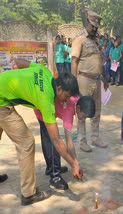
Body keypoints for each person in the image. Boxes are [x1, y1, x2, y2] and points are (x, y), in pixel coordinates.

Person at [0, 59, 83, 205]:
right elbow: (56, 140)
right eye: (65, 96)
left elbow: (19, 61)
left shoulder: (45, 72)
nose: (65, 101)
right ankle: (28, 194)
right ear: (59, 90)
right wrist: (73, 164)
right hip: (2, 103)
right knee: (26, 142)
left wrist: (14, 79)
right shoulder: (46, 101)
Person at [34, 96, 95, 190]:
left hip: (47, 106)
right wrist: (74, 165)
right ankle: (55, 176)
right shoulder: (68, 112)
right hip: (42, 110)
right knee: (52, 141)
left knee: (50, 139)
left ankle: (52, 167)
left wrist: (75, 164)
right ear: (78, 108)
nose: (83, 119)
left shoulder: (78, 100)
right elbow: (69, 142)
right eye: (83, 116)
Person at [71, 10, 109, 152]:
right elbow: (74, 61)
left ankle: (95, 137)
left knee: (96, 111)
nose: (94, 29)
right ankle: (82, 141)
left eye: (96, 27)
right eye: (92, 26)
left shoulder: (95, 42)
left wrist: (105, 78)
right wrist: (73, 83)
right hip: (83, 80)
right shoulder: (79, 40)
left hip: (96, 80)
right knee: (82, 112)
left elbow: (100, 62)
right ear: (87, 22)